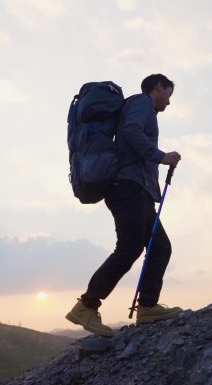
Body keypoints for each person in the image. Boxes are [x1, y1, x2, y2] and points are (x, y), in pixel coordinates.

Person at [65, 74, 183, 337]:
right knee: (129, 248)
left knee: (160, 247)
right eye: (169, 94)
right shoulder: (141, 103)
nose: (169, 102)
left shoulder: (139, 106)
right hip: (127, 187)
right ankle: (86, 306)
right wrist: (160, 156)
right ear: (158, 87)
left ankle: (148, 307)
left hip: (137, 190)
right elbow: (131, 131)